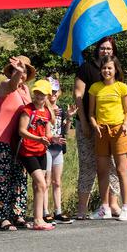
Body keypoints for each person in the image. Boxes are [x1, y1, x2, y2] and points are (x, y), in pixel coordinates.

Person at [74, 36, 123, 220]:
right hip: (87, 124)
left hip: (110, 126)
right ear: (97, 49)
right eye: (102, 48)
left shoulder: (115, 68)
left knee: (111, 165)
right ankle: (82, 208)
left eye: (109, 49)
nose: (105, 51)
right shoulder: (86, 67)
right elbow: (78, 95)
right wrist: (85, 122)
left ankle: (113, 204)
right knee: (87, 165)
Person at [0, 56, 34, 231]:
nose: (21, 75)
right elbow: (13, 84)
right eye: (17, 70)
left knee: (19, 176)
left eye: (24, 71)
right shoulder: (5, 85)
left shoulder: (26, 90)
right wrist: (18, 71)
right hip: (2, 137)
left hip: (20, 139)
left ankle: (18, 213)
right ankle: (3, 216)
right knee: (2, 177)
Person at [88, 56, 127, 221]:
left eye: (109, 68)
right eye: (104, 68)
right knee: (102, 170)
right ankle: (105, 208)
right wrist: (94, 125)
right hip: (101, 131)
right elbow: (91, 113)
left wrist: (125, 124)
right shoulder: (95, 88)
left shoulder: (122, 87)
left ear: (115, 70)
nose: (106, 71)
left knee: (121, 170)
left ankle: (126, 207)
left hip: (118, 130)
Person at [17, 79, 56, 230]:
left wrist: (53, 138)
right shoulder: (28, 110)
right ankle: (38, 220)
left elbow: (47, 134)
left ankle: (37, 218)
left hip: (41, 152)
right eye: (37, 93)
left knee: (40, 185)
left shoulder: (46, 112)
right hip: (28, 151)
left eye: (43, 94)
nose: (39, 96)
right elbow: (22, 131)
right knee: (40, 183)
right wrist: (38, 139)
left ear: (47, 95)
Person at [44, 76, 76, 224]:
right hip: (46, 148)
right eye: (50, 91)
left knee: (57, 181)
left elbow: (65, 132)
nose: (53, 94)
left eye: (55, 91)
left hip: (58, 148)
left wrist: (69, 117)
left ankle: (58, 210)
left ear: (59, 92)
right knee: (46, 181)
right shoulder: (42, 109)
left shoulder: (61, 110)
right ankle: (45, 211)